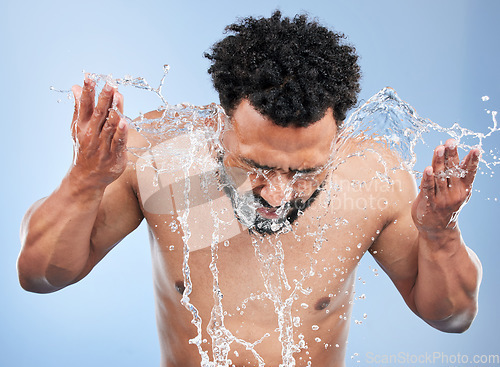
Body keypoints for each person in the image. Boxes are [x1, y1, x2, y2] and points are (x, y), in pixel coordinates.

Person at [18, 11, 482, 367]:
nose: (277, 196)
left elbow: (451, 318)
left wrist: (441, 234)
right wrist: (85, 181)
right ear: (222, 123)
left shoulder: (372, 177)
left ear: (338, 137)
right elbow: (41, 276)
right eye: (255, 166)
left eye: (305, 172)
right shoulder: (163, 160)